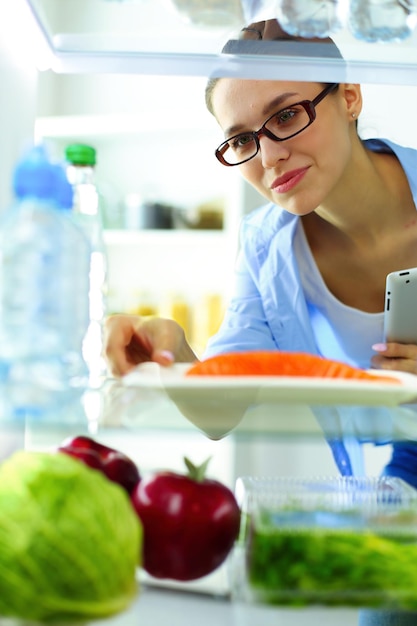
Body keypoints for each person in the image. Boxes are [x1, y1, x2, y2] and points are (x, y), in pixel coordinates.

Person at [105, 19, 417, 480]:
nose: (269, 157)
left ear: (349, 96)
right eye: (243, 139)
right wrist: (172, 354)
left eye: (286, 115)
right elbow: (220, 410)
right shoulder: (266, 245)